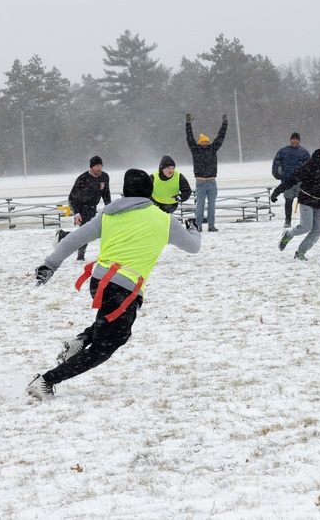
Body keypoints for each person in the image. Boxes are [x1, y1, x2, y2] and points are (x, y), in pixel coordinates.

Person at [26, 169, 201, 401]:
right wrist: (193, 230)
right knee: (106, 346)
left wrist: (50, 265)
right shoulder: (164, 220)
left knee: (110, 324)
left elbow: (73, 239)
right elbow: (193, 247)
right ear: (150, 192)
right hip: (124, 288)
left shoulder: (108, 214)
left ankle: (81, 341)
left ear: (125, 191)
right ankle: (46, 381)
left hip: (99, 282)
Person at [272, 140, 320, 261]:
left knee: (317, 232)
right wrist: (277, 191)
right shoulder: (310, 164)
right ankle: (288, 235)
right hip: (307, 199)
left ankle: (300, 253)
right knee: (306, 227)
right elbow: (293, 179)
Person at [60, 156, 111, 263]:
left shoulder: (104, 177)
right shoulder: (82, 179)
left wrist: (109, 208)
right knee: (86, 233)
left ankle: (64, 235)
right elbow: (72, 198)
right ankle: (80, 256)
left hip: (93, 207)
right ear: (91, 167)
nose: (99, 168)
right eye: (96, 166)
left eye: (100, 166)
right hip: (81, 207)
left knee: (89, 232)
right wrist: (76, 213)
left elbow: (106, 195)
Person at [186, 113, 228, 231]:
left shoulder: (213, 149)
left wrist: (225, 124)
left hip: (212, 182)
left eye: (207, 141)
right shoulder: (195, 150)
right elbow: (189, 138)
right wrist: (188, 124)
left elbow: (220, 137)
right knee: (200, 205)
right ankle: (198, 225)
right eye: (203, 141)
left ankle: (211, 225)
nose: (205, 143)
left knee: (212, 206)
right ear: (200, 143)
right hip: (200, 182)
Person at [271, 132, 311, 228]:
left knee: (303, 202)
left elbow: (310, 166)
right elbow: (276, 162)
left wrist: (308, 177)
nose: (295, 141)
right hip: (287, 180)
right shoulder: (283, 151)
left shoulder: (304, 152)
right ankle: (288, 220)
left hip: (300, 182)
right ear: (290, 140)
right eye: (293, 139)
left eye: (297, 139)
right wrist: (275, 173)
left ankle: (304, 220)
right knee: (288, 201)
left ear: (299, 141)